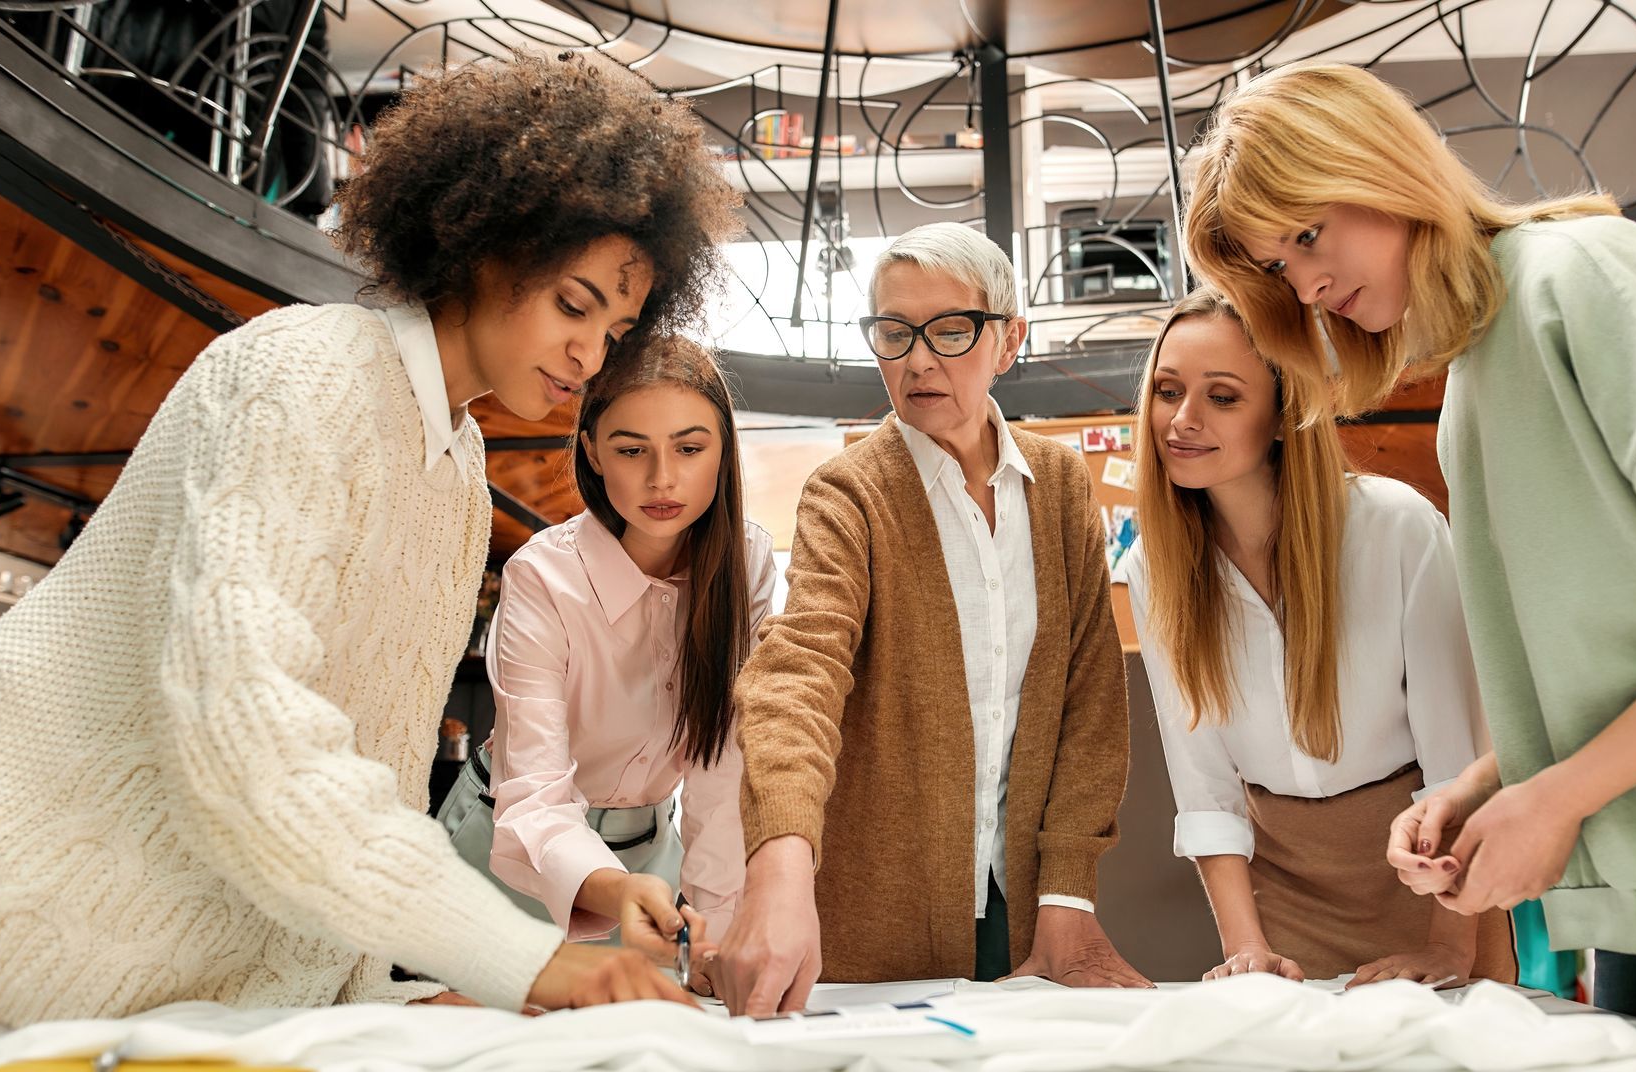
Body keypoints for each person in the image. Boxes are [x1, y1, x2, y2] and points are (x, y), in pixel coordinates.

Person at [0, 50, 739, 1049]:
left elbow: (372, 778)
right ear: (482, 245)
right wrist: (513, 955)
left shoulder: (457, 469)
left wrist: (387, 993)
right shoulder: (305, 372)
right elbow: (246, 733)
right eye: (574, 305)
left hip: (176, 1005)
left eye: (617, 328)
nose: (591, 354)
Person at [1183, 61, 1636, 1062]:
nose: (1310, 282)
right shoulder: (1475, 373)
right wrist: (1499, 783)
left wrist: (1558, 793)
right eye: (1279, 268)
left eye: (1309, 233)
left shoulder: (1580, 276)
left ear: (1379, 163)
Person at [710, 222, 1148, 1017]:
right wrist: (778, 866)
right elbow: (797, 677)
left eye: (950, 330)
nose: (917, 360)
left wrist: (1069, 892)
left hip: (1025, 910)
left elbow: (1089, 701)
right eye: (892, 332)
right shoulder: (849, 494)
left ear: (1009, 340)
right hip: (868, 923)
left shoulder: (1056, 483)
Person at [1127, 286, 1513, 988]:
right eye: (1167, 390)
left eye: (1222, 397)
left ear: (1282, 415)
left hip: (1431, 875)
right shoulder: (1153, 569)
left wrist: (1452, 947)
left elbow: (1457, 756)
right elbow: (1206, 789)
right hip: (1284, 894)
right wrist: (1248, 952)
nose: (1181, 420)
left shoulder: (1397, 527)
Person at [436, 337, 773, 994]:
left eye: (689, 447)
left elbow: (723, 771)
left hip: (652, 857)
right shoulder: (543, 575)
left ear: (724, 450)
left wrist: (718, 926)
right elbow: (534, 794)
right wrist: (616, 889)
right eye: (630, 449)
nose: (662, 479)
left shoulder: (747, 564)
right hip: (510, 848)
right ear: (591, 450)